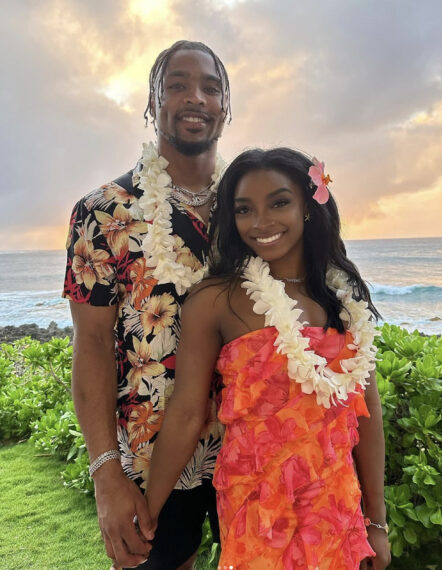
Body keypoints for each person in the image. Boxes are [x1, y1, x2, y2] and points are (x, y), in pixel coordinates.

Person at [145, 148, 392, 569]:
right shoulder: (215, 300)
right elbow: (187, 413)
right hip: (256, 508)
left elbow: (366, 412)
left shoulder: (343, 296)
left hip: (336, 505)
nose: (261, 222)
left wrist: (376, 523)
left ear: (309, 207)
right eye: (244, 209)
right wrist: (148, 515)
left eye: (279, 202)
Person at [63, 40, 231, 570]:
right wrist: (105, 473)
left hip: (251, 450)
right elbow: (90, 344)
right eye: (177, 85)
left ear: (226, 103)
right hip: (148, 459)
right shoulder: (103, 211)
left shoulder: (255, 212)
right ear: (152, 102)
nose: (194, 98)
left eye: (209, 86)